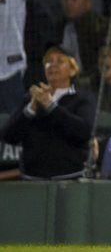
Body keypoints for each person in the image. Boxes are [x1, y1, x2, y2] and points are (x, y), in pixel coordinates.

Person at [1, 45, 94, 180]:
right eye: (49, 61)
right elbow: (9, 136)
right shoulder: (31, 98)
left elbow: (83, 131)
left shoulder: (82, 98)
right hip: (32, 180)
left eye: (60, 61)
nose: (53, 65)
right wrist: (30, 109)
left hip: (68, 181)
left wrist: (51, 106)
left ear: (72, 70)